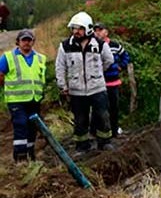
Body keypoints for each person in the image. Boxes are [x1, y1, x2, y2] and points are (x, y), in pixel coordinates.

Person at [55, 11, 114, 153]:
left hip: (97, 88)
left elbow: (109, 60)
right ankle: (82, 145)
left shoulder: (99, 45)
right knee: (80, 119)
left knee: (103, 116)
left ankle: (104, 142)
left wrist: (97, 74)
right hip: (76, 90)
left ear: (87, 28)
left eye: (79, 28)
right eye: (74, 28)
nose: (76, 31)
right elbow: (60, 66)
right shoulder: (65, 46)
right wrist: (63, 85)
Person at [0, 29, 47, 161]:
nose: (26, 43)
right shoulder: (8, 57)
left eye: (29, 40)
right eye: (24, 40)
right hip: (16, 99)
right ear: (18, 42)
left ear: (33, 42)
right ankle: (20, 156)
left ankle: (30, 152)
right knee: (21, 124)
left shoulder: (40, 58)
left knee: (33, 127)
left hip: (34, 99)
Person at [92, 23, 131, 137]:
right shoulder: (93, 46)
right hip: (98, 83)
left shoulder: (115, 45)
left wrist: (121, 66)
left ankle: (114, 130)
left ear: (106, 32)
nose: (98, 32)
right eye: (96, 30)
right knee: (98, 109)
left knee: (114, 108)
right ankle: (95, 132)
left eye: (100, 30)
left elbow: (126, 56)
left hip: (113, 82)